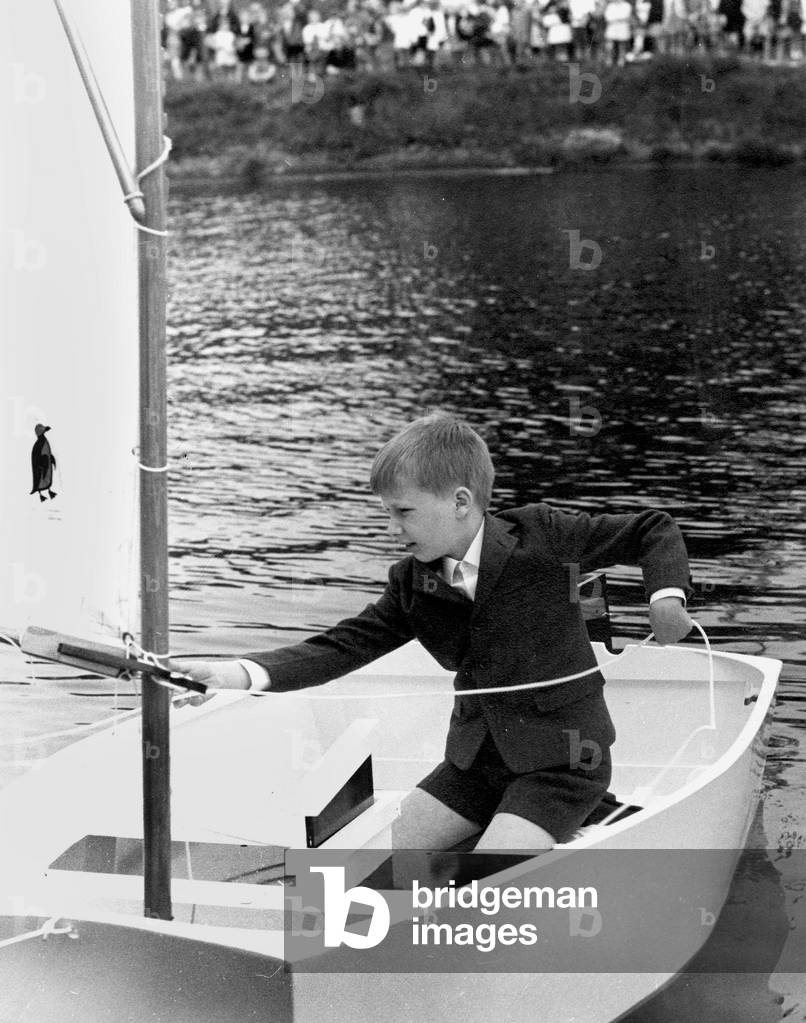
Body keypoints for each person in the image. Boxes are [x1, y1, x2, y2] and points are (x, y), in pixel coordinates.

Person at [181, 413, 692, 856]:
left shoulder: (543, 535)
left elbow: (652, 528)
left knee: (485, 880)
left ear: (460, 501)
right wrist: (235, 673)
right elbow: (341, 647)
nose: (393, 528)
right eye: (387, 513)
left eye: (403, 512)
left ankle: (585, 808)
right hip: (473, 766)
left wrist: (665, 596)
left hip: (561, 766)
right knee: (375, 861)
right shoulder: (410, 582)